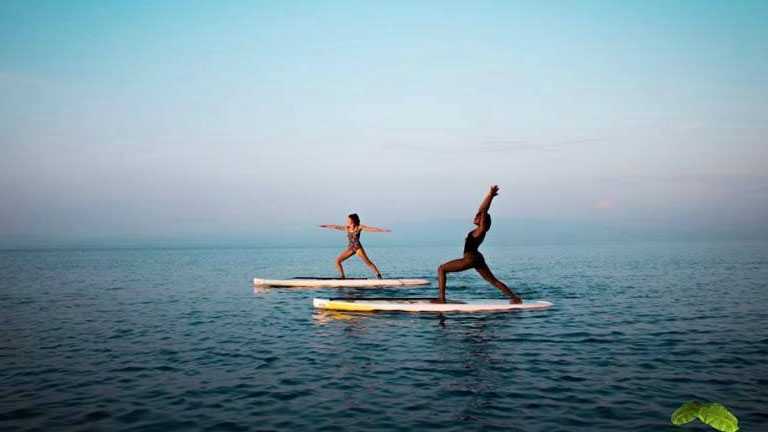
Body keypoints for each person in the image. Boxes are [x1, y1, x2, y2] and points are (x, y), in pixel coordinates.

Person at [434, 185, 522, 304]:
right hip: (477, 258)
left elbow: (484, 210)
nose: (476, 217)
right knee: (493, 281)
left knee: (441, 269)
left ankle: (441, 299)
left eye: (478, 217)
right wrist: (489, 195)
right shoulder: (477, 231)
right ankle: (515, 298)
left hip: (470, 258)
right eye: (476, 216)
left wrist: (490, 198)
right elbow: (482, 210)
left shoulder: (481, 230)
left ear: (483, 221)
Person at [318, 213, 390, 279]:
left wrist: (383, 230)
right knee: (337, 261)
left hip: (358, 248)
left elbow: (371, 229)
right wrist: (325, 226)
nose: (347, 220)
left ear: (353, 220)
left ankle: (379, 276)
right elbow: (335, 227)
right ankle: (342, 277)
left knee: (368, 262)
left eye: (349, 219)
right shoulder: (347, 228)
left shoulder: (359, 227)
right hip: (351, 248)